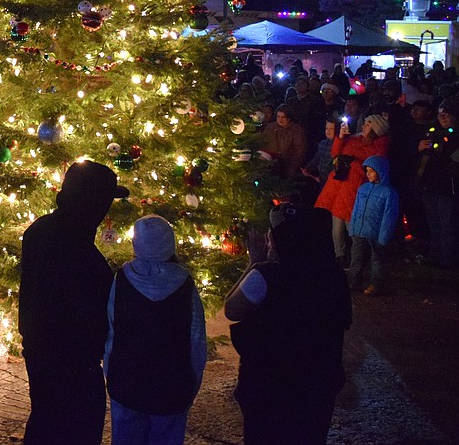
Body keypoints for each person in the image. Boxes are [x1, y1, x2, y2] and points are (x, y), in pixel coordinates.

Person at [18, 160, 128, 445]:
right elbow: (86, 312)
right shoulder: (79, 252)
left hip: (39, 349)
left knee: (44, 421)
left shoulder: (41, 229)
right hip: (72, 363)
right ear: (92, 202)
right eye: (105, 201)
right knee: (74, 428)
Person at [224, 203, 351, 445]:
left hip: (269, 385)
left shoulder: (266, 276)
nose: (269, 241)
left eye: (273, 236)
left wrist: (254, 262)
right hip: (317, 383)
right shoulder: (331, 274)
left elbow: (232, 309)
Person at [104, 216, 205, 445]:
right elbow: (196, 341)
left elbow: (112, 333)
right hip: (172, 386)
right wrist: (191, 387)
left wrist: (112, 376)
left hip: (127, 383)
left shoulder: (122, 279)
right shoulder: (184, 283)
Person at [315, 114, 390, 263]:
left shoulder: (378, 147)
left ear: (375, 129)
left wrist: (352, 163)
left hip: (355, 187)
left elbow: (373, 169)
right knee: (337, 224)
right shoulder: (354, 139)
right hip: (338, 185)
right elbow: (335, 154)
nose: (363, 126)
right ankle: (340, 255)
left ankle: (358, 258)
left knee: (353, 224)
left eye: (368, 124)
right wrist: (341, 138)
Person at [348, 156, 400, 295]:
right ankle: (353, 281)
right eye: (367, 171)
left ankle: (376, 284)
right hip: (360, 230)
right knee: (356, 257)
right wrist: (352, 227)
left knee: (376, 261)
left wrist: (383, 237)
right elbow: (356, 209)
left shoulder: (388, 192)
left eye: (372, 171)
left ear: (381, 171)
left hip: (375, 233)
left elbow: (389, 216)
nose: (368, 174)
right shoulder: (363, 188)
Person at [417, 98, 459, 267]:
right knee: (434, 223)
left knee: (447, 224)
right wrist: (419, 149)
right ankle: (436, 255)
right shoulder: (433, 131)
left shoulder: (455, 135)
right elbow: (424, 159)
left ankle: (448, 259)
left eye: (447, 114)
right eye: (440, 113)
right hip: (430, 184)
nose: (443, 117)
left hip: (448, 187)